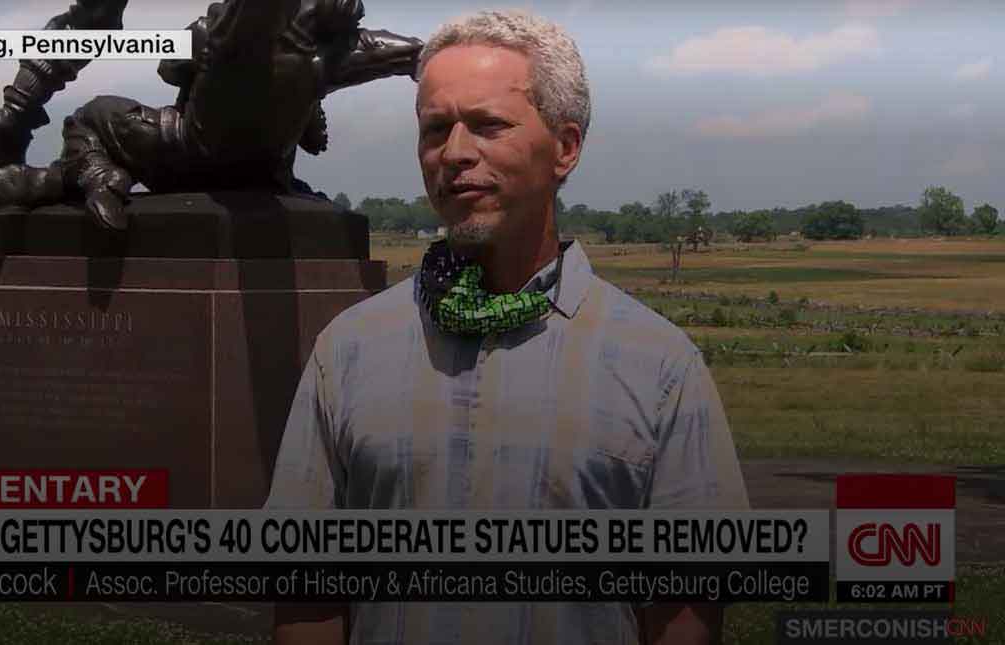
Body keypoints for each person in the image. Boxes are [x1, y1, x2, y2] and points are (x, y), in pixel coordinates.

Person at [265, 9, 748, 645]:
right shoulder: (347, 352)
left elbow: (684, 613)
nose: (455, 153)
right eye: (435, 129)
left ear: (566, 147)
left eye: (489, 126)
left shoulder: (658, 366)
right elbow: (308, 600)